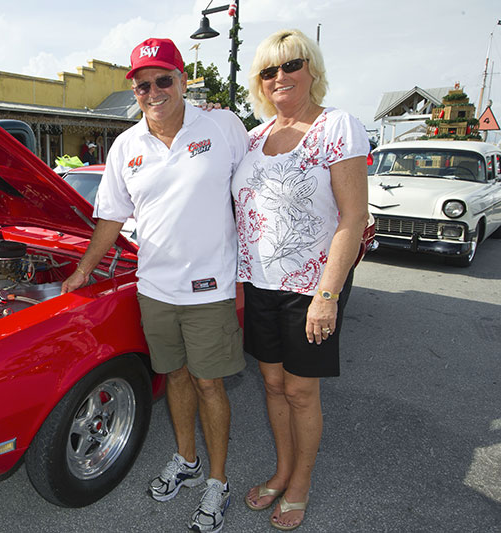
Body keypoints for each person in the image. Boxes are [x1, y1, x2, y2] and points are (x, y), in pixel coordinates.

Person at [61, 37, 248, 533]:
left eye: (164, 79)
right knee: (178, 378)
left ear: (183, 81)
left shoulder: (223, 126)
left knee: (210, 383)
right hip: (155, 291)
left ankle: (218, 482)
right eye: (143, 84)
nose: (154, 91)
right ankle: (186, 460)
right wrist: (82, 270)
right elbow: (111, 218)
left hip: (210, 290)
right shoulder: (126, 146)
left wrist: (250, 273)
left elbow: (253, 198)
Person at [232, 29, 369, 531]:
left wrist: (327, 296)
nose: (280, 77)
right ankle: (283, 470)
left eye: (291, 65)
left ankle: (301, 484)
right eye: (269, 71)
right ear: (259, 82)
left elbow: (352, 219)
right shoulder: (253, 136)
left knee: (301, 392)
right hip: (261, 282)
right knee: (271, 383)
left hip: (312, 287)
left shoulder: (338, 127)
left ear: (312, 69)